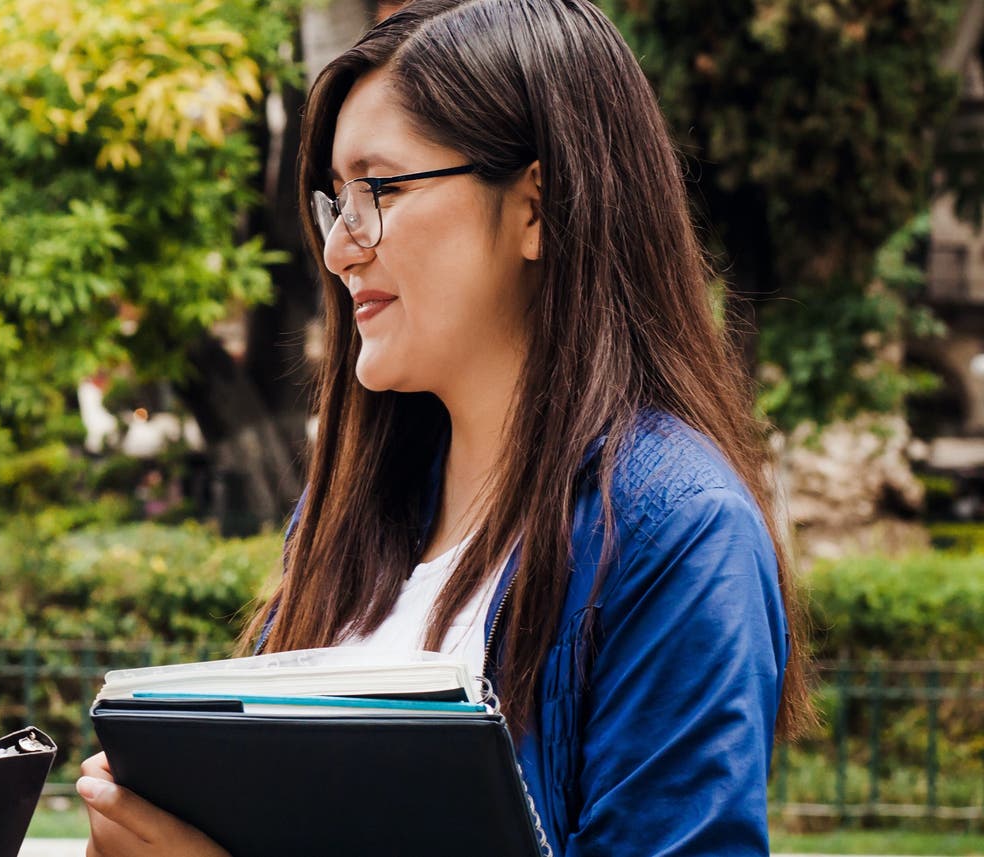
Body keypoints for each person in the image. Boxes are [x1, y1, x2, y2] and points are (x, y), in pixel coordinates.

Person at [76, 1, 812, 854]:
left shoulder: (674, 531)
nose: (339, 247)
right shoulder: (346, 508)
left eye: (378, 190)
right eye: (335, 202)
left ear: (536, 205)